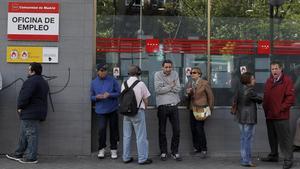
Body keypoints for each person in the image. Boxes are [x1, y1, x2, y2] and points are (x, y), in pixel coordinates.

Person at [6, 62, 49, 164]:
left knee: (31, 134)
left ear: (33, 71)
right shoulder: (43, 82)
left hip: (30, 112)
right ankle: (18, 153)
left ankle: (31, 157)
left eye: (29, 69)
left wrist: (20, 107)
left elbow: (24, 96)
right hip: (36, 112)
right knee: (24, 134)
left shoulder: (31, 82)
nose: (27, 71)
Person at [262, 61, 295, 169]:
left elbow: (290, 98)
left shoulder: (287, 81)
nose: (274, 71)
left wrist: (280, 109)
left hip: (281, 116)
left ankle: (288, 159)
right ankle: (274, 155)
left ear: (281, 69)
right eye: (272, 69)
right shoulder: (269, 81)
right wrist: (265, 108)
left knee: (284, 139)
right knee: (272, 138)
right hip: (270, 115)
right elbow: (266, 96)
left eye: (276, 69)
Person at [121, 65, 152, 165]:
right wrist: (145, 107)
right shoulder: (141, 84)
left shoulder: (124, 83)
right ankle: (142, 158)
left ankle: (126, 157)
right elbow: (146, 99)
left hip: (126, 113)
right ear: (138, 73)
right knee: (141, 136)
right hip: (138, 112)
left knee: (126, 136)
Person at [90, 63, 120, 159]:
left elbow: (119, 93)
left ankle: (113, 149)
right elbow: (91, 96)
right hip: (101, 110)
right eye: (102, 70)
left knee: (113, 130)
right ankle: (101, 149)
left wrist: (110, 95)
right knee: (101, 130)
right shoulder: (93, 82)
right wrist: (96, 97)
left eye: (105, 70)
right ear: (97, 71)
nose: (104, 72)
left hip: (112, 109)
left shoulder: (113, 80)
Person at [154, 59, 182, 161]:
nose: (168, 69)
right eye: (166, 67)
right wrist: (171, 85)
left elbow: (178, 88)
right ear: (162, 67)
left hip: (174, 105)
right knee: (162, 131)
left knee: (177, 130)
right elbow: (158, 90)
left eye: (170, 67)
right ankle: (163, 152)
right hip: (162, 106)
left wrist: (165, 87)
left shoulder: (175, 74)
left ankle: (174, 151)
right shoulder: (157, 74)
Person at [235, 72, 262, 167]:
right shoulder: (250, 91)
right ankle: (247, 160)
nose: (255, 80)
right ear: (248, 80)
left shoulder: (239, 89)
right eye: (253, 78)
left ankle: (243, 159)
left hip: (240, 117)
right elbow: (260, 99)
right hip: (249, 118)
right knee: (248, 139)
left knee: (243, 139)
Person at [186, 67, 214, 159]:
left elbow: (211, 97)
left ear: (199, 74)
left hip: (201, 108)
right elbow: (187, 96)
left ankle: (204, 149)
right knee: (193, 129)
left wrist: (210, 109)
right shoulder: (190, 83)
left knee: (199, 129)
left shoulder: (204, 83)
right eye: (191, 73)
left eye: (194, 72)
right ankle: (196, 148)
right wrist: (188, 93)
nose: (192, 74)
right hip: (192, 108)